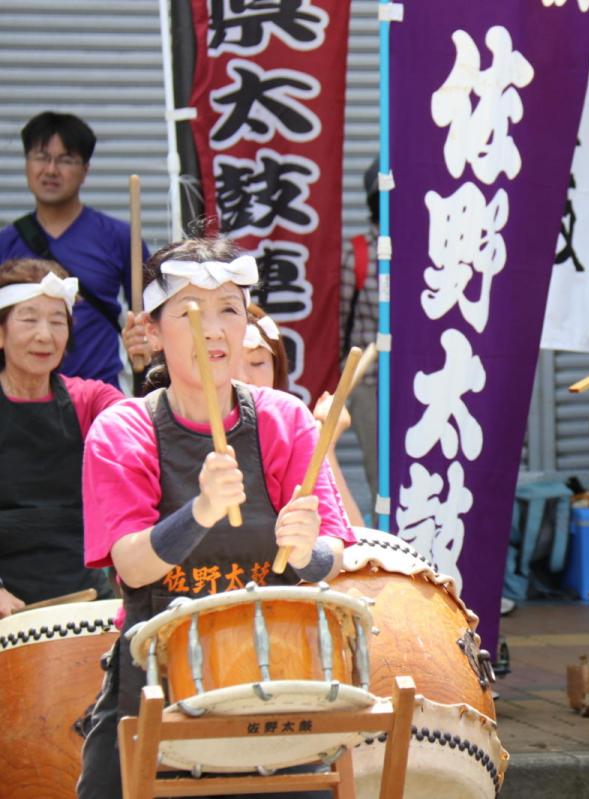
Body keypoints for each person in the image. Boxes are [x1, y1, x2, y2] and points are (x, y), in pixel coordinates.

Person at [77, 237, 355, 799]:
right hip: (154, 688)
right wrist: (200, 510)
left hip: (279, 690)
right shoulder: (122, 430)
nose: (213, 328)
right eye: (190, 311)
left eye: (229, 307)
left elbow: (334, 556)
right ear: (152, 332)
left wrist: (308, 553)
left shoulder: (284, 420)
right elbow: (132, 566)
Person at [0, 258, 122, 616]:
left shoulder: (90, 399)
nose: (45, 335)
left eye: (57, 322)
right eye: (29, 319)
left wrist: (152, 361)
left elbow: (148, 424)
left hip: (85, 595)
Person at [0, 111, 148, 389]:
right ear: (27, 164)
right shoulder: (5, 242)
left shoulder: (120, 237)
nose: (51, 170)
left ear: (85, 171)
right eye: (41, 157)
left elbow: (151, 315)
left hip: (98, 396)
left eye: (66, 159)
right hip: (20, 400)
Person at [240, 304, 365, 527]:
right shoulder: (177, 427)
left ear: (277, 369)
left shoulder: (292, 433)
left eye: (257, 363)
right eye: (226, 361)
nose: (243, 377)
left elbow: (355, 545)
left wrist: (324, 446)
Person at [340, 159, 381, 506]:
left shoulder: (426, 249)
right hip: (370, 379)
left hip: (421, 378)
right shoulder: (359, 254)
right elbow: (340, 320)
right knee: (378, 469)